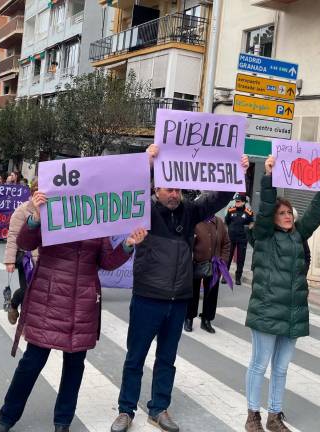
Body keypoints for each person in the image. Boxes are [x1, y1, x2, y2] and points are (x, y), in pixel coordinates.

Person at [110, 144, 249, 432]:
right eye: (168, 189)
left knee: (167, 359)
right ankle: (126, 410)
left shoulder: (190, 211)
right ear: (156, 189)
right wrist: (146, 163)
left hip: (178, 300)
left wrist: (238, 173)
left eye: (178, 190)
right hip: (147, 297)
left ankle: (159, 409)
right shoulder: (144, 210)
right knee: (135, 357)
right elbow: (127, 188)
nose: (174, 194)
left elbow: (219, 196)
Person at [0, 192, 146, 432]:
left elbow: (106, 261)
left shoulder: (97, 219)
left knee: (74, 366)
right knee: (31, 363)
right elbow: (26, 242)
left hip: (82, 303)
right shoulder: (52, 209)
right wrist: (35, 219)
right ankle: (7, 417)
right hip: (48, 299)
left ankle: (62, 422)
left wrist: (127, 245)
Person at [244, 155, 320, 432]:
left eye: (289, 213)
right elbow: (264, 211)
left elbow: (316, 212)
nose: (288, 216)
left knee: (282, 368)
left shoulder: (298, 235)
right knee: (259, 364)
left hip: (293, 313)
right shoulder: (263, 236)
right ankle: (253, 415)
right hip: (266, 310)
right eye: (282, 213)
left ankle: (274, 416)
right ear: (273, 218)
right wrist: (269, 177)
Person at [185, 215, 230, 334]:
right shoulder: (194, 220)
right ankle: (189, 318)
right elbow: (185, 242)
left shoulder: (219, 222)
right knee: (192, 292)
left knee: (211, 294)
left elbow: (226, 243)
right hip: (195, 264)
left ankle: (206, 319)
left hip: (214, 265)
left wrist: (223, 261)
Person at [3, 180, 38, 324]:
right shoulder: (22, 210)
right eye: (37, 190)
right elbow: (13, 236)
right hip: (27, 260)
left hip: (46, 259)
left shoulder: (54, 209)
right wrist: (10, 260)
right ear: (32, 192)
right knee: (27, 291)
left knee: (39, 292)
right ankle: (15, 306)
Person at [225, 193, 254, 285]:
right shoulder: (231, 210)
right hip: (231, 238)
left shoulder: (248, 212)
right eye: (236, 201)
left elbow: (252, 223)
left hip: (242, 239)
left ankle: (238, 278)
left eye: (238, 201)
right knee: (228, 258)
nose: (236, 203)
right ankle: (225, 277)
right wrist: (230, 230)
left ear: (243, 202)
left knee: (241, 259)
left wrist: (248, 229)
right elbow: (226, 221)